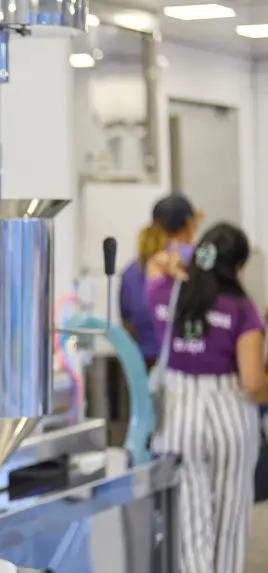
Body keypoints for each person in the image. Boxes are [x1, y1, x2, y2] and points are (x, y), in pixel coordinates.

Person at [145, 222, 268, 573]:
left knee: (190, 527)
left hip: (179, 417)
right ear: (238, 267)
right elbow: (253, 383)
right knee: (227, 525)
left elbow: (155, 262)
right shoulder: (244, 311)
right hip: (229, 416)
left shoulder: (165, 295)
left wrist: (176, 262)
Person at [119, 193, 200, 369]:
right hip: (187, 365)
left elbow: (127, 325)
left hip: (144, 365)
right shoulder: (196, 263)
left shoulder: (130, 271)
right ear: (189, 223)